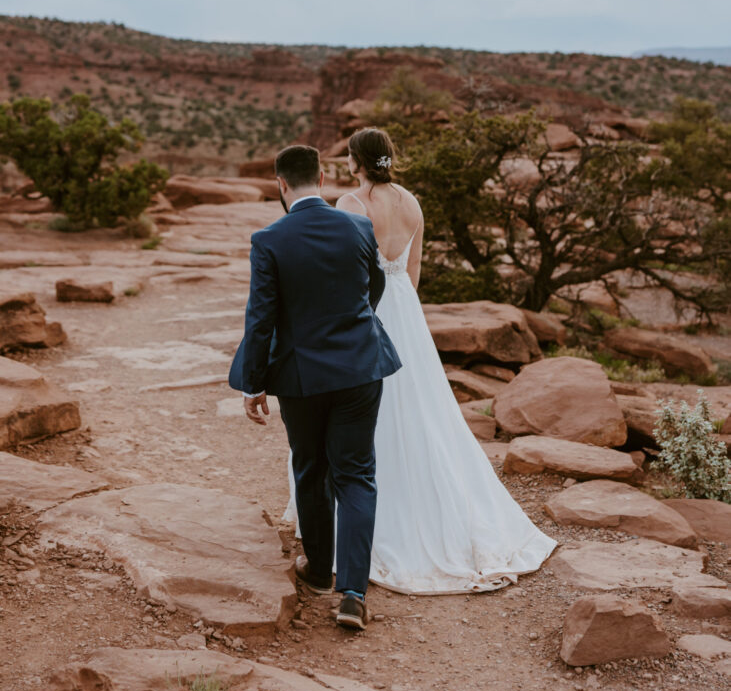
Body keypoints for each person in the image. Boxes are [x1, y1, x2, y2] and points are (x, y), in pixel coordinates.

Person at [287, 127, 556, 594]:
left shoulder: (352, 205)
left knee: (359, 414)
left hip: (363, 312)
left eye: (349, 156)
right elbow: (412, 274)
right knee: (419, 409)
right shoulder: (412, 203)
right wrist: (402, 313)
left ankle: (355, 526)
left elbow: (345, 272)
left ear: (357, 161)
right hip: (406, 315)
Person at [229, 144, 401, 630]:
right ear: (322, 178)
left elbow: (261, 319)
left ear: (281, 184)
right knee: (357, 474)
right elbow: (374, 290)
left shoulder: (269, 239)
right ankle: (352, 594)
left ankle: (319, 571)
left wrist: (253, 384)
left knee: (310, 467)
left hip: (301, 378)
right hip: (361, 368)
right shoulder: (358, 226)